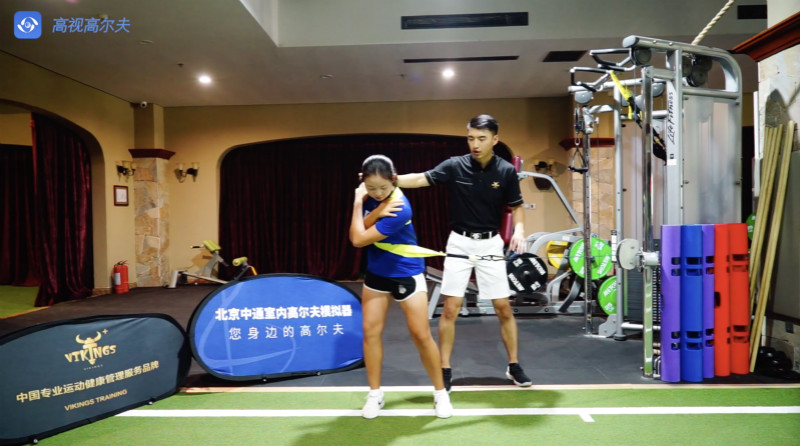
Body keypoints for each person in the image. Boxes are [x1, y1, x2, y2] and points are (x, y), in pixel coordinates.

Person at [396, 114, 532, 391]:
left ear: (495, 139)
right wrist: (391, 180)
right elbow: (421, 179)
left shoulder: (506, 171)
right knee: (450, 309)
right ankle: (444, 368)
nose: (475, 144)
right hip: (459, 242)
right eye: (471, 138)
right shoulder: (454, 165)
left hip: (490, 243)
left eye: (482, 138)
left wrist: (519, 230)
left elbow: (517, 206)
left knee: (503, 307)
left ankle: (513, 365)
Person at [349, 154, 453, 419]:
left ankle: (441, 393)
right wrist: (365, 205)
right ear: (362, 182)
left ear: (394, 180)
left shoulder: (400, 207)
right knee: (370, 332)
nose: (378, 193)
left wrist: (366, 208)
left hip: (406, 273)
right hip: (377, 274)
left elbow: (358, 240)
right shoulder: (368, 197)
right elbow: (358, 231)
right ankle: (375, 394)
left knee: (420, 335)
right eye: (371, 188)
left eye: (383, 187)